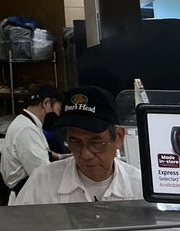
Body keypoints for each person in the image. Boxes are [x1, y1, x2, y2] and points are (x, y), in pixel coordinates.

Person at [15, 85, 143, 204]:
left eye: (96, 143)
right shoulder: (42, 183)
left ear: (119, 137)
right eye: (75, 142)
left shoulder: (140, 187)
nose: (85, 155)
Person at [0, 86, 64, 199]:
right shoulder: (27, 129)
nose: (57, 116)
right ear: (46, 103)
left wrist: (61, 157)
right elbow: (43, 173)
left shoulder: (26, 123)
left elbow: (40, 153)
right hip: (27, 195)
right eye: (58, 110)